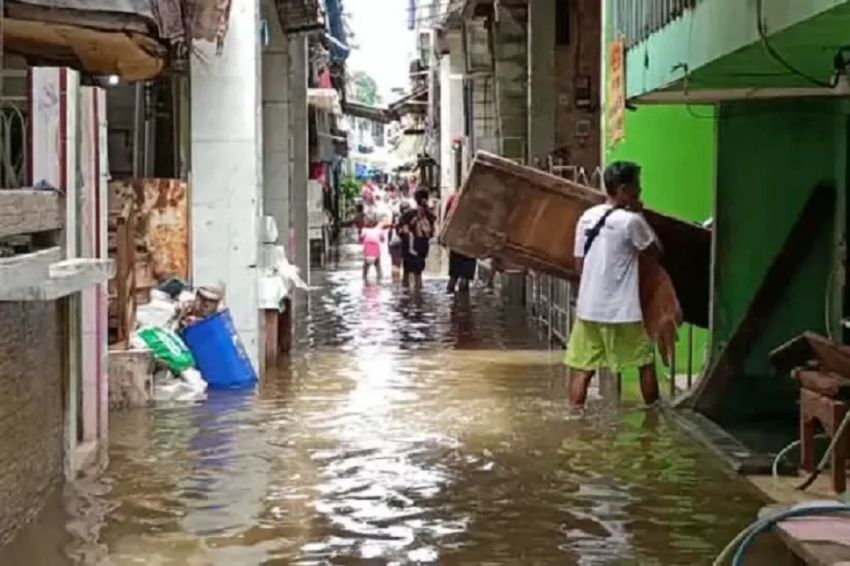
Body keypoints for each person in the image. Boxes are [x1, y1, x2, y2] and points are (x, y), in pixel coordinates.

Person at [564, 161, 661, 409]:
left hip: (589, 308)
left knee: (584, 370)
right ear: (624, 189)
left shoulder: (586, 218)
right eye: (636, 185)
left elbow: (579, 264)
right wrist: (640, 213)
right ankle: (653, 421)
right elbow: (656, 252)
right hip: (623, 311)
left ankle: (576, 421)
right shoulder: (631, 222)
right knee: (645, 362)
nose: (640, 190)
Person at [398, 188, 436, 289]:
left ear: (415, 199)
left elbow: (402, 231)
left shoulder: (408, 214)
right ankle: (418, 298)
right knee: (418, 275)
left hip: (410, 246)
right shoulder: (429, 216)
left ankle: (407, 297)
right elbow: (432, 231)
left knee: (407, 273)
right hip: (421, 246)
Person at [444, 191, 477, 294]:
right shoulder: (476, 200)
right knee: (463, 278)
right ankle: (463, 304)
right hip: (469, 242)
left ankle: (455, 305)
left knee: (454, 277)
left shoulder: (454, 197)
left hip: (459, 242)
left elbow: (446, 219)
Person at [359, 215, 385, 283]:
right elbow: (383, 239)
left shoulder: (364, 230)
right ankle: (380, 280)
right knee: (378, 268)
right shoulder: (379, 230)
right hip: (376, 253)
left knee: (365, 270)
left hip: (367, 253)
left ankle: (365, 281)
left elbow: (360, 239)